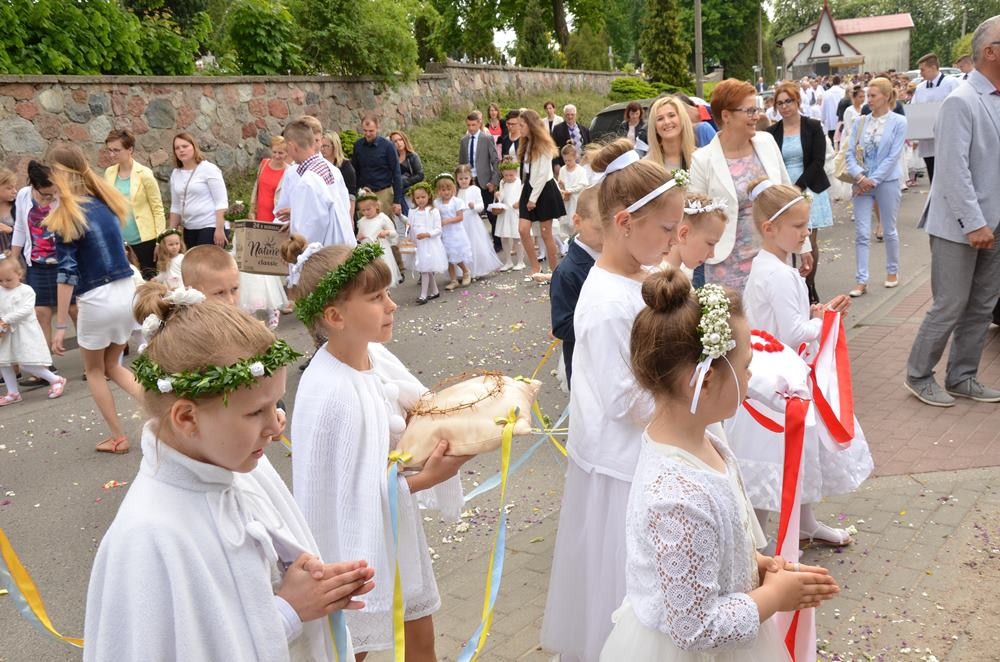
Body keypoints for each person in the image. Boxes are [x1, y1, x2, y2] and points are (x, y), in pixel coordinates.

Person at [83, 281, 375, 661]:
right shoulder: (149, 538)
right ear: (187, 417)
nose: (277, 425)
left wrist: (314, 584)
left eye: (276, 405)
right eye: (256, 412)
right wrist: (289, 610)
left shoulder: (243, 467)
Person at [599, 269, 840, 661]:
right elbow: (694, 627)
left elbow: (712, 545)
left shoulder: (705, 440)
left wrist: (756, 565)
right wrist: (773, 596)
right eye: (745, 365)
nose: (750, 376)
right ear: (706, 381)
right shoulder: (676, 497)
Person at [284, 238, 468, 657]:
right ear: (334, 316)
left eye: (387, 293)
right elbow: (348, 497)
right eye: (376, 297)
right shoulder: (331, 391)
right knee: (353, 640)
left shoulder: (374, 358)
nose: (392, 305)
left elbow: (414, 418)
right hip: (352, 546)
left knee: (419, 630)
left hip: (395, 528)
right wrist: (427, 479)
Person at [541, 138, 685, 662]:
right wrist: (691, 386)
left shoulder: (641, 276)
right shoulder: (603, 303)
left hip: (649, 449)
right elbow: (624, 400)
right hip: (625, 465)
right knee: (627, 585)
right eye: (666, 230)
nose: (673, 242)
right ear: (624, 223)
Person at [735, 178, 871, 547]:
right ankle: (759, 540)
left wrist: (812, 313)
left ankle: (805, 521)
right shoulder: (777, 273)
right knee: (775, 455)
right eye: (798, 227)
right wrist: (825, 318)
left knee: (799, 451)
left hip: (777, 368)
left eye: (806, 225)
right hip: (775, 377)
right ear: (770, 229)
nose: (805, 233)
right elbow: (793, 332)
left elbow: (785, 321)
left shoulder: (771, 266)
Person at [905, 16, 1000, 408]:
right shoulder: (961, 100)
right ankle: (919, 375)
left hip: (993, 224)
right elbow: (951, 169)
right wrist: (974, 222)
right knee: (950, 304)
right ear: (991, 52)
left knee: (981, 305)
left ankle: (962, 376)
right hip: (961, 226)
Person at [46, 143, 141, 455]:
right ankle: (166, 410)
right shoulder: (106, 203)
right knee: (114, 364)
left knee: (96, 370)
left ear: (59, 175)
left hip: (97, 298)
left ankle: (118, 437)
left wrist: (60, 325)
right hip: (126, 289)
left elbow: (66, 274)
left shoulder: (66, 214)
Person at [689, 79, 799, 291]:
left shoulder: (766, 143)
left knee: (774, 322)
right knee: (736, 323)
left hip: (773, 256)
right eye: (749, 111)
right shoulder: (703, 159)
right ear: (726, 116)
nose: (756, 116)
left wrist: (801, 246)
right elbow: (696, 218)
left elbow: (788, 198)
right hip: (727, 265)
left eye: (756, 109)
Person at [766, 82, 833, 304]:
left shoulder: (813, 126)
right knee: (785, 241)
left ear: (797, 102)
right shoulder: (771, 132)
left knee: (808, 241)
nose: (785, 107)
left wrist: (797, 187)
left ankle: (809, 287)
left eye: (788, 101)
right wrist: (784, 191)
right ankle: (791, 289)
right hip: (782, 192)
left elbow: (818, 161)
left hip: (809, 188)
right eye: (780, 103)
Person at [845, 76, 907, 298]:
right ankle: (861, 280)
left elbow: (893, 156)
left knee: (888, 229)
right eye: (867, 96)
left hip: (886, 182)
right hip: (861, 182)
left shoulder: (898, 122)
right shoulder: (861, 122)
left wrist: (874, 179)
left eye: (872, 96)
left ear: (886, 96)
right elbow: (850, 153)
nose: (868, 100)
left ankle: (892, 271)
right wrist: (860, 177)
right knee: (861, 233)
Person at [11, 161, 78, 355]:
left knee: (75, 309)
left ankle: (92, 362)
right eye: (45, 195)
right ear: (33, 186)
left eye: (53, 193)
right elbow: (20, 228)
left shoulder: (62, 197)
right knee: (41, 313)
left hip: (63, 261)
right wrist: (14, 258)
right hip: (37, 263)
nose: (50, 198)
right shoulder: (24, 195)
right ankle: (44, 366)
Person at [549, 186, 602, 389]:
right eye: (599, 229)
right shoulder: (567, 272)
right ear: (577, 221)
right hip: (585, 365)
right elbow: (562, 325)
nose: (607, 236)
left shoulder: (611, 255)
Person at [0, 255, 67, 405]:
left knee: (26, 362)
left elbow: (26, 309)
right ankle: (12, 392)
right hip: (5, 333)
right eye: (0, 280)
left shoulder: (27, 290)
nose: (4, 283)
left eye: (8, 280)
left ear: (19, 274)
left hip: (24, 332)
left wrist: (6, 319)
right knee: (3, 362)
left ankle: (55, 379)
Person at [103, 128, 166, 278]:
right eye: (109, 150)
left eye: (116, 150)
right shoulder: (109, 173)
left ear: (130, 149)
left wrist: (159, 241)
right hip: (119, 241)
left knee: (148, 282)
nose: (112, 155)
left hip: (145, 240)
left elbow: (157, 208)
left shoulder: (145, 174)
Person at [282, 120, 355, 248]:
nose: (287, 153)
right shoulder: (332, 170)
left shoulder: (307, 182)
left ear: (293, 146)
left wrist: (295, 253)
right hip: (342, 246)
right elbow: (342, 206)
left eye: (286, 148)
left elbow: (310, 228)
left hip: (324, 255)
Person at [518, 109, 566, 281]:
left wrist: (533, 199)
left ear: (531, 126)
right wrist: (525, 194)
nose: (519, 128)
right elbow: (526, 172)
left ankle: (555, 272)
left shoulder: (543, 145)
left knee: (546, 233)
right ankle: (535, 266)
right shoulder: (525, 143)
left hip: (544, 189)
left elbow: (542, 174)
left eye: (522, 125)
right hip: (529, 187)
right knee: (523, 229)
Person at [168, 132, 228, 248]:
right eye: (177, 148)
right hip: (189, 227)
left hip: (210, 226)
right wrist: (171, 232)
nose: (181, 150)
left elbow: (221, 202)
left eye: (185, 146)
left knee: (205, 265)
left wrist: (219, 229)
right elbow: (175, 206)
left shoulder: (209, 169)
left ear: (194, 147)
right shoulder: (176, 173)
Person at [911, 53, 962, 184]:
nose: (921, 74)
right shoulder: (920, 88)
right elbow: (914, 111)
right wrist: (915, 136)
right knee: (933, 176)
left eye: (923, 69)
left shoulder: (952, 83)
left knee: (950, 176)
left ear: (933, 67)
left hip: (948, 137)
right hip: (928, 140)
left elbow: (960, 107)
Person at [458, 111, 501, 249]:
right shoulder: (464, 141)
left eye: (473, 125)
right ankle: (473, 243)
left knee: (490, 213)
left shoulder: (486, 138)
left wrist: (494, 181)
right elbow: (461, 163)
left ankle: (497, 242)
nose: (471, 128)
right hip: (469, 180)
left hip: (485, 180)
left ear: (479, 124)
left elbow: (495, 161)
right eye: (469, 125)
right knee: (469, 212)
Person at [662, 192, 727, 279]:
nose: (712, 255)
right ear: (683, 234)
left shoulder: (680, 278)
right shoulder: (655, 280)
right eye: (710, 243)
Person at [351, 113, 405, 219]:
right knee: (366, 228)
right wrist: (356, 193)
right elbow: (355, 171)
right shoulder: (358, 146)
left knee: (386, 229)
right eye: (365, 130)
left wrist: (397, 201)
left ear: (377, 128)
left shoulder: (388, 146)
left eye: (371, 131)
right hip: (365, 193)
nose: (368, 134)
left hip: (384, 193)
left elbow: (396, 173)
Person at [455, 164, 502, 279]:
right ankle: (464, 271)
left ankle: (477, 270)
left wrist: (474, 206)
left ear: (471, 177)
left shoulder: (475, 189)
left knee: (475, 246)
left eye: (466, 178)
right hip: (460, 223)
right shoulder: (456, 191)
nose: (464, 181)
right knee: (464, 247)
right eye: (460, 179)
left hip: (472, 222)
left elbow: (481, 206)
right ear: (456, 179)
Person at [407, 182, 447, 304]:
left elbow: (438, 229)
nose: (420, 200)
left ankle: (423, 295)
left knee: (424, 269)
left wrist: (427, 234)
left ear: (429, 196)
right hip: (418, 244)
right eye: (417, 198)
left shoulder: (433, 211)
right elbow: (409, 226)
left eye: (423, 197)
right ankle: (435, 291)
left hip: (429, 245)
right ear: (414, 198)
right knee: (426, 269)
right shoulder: (412, 211)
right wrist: (408, 236)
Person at [432, 173, 472, 290]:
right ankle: (453, 280)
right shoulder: (437, 203)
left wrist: (447, 221)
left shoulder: (457, 201)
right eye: (443, 190)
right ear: (438, 191)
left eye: (448, 189)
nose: (446, 192)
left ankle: (466, 271)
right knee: (447, 257)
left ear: (453, 189)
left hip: (455, 232)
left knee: (456, 255)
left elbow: (460, 217)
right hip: (443, 233)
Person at [355, 188, 400, 286]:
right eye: (363, 210)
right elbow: (359, 236)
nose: (366, 212)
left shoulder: (382, 218)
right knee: (374, 275)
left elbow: (394, 233)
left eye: (368, 209)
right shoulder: (362, 221)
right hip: (368, 251)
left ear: (376, 206)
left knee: (384, 274)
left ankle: (387, 294)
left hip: (382, 250)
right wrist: (359, 237)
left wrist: (386, 232)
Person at [644, 95, 696, 172]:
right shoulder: (646, 166)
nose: (667, 122)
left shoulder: (701, 158)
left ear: (682, 119)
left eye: (671, 115)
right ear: (654, 127)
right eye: (660, 119)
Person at [493, 159, 526, 271]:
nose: (508, 177)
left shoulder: (518, 182)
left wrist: (519, 203)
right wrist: (498, 195)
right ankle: (508, 261)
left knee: (517, 238)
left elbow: (522, 196)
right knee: (504, 237)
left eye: (511, 175)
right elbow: (502, 197)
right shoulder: (502, 183)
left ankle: (521, 261)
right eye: (506, 175)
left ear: (516, 172)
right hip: (505, 212)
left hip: (514, 212)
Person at [250, 136, 290, 222]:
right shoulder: (264, 163)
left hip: (275, 217)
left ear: (287, 153)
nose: (276, 156)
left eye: (280, 153)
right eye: (274, 152)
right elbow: (256, 188)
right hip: (259, 214)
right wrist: (252, 209)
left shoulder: (289, 171)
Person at [319, 131, 357, 220]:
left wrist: (350, 218)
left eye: (326, 146)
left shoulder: (345, 166)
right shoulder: (320, 165)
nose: (322, 149)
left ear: (335, 146)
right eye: (321, 146)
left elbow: (351, 195)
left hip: (342, 211)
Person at [556, 144, 588, 245]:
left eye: (569, 160)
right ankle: (569, 242)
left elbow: (582, 184)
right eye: (565, 160)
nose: (567, 163)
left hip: (576, 200)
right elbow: (560, 183)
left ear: (575, 157)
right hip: (566, 200)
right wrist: (562, 187)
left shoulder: (581, 170)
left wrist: (570, 190)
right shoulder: (562, 169)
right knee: (566, 223)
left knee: (575, 222)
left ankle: (577, 242)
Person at [550, 104, 591, 171]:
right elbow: (553, 147)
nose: (570, 117)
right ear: (564, 115)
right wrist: (556, 163)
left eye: (572, 114)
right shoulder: (557, 129)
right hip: (565, 166)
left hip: (583, 165)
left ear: (576, 115)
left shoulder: (585, 130)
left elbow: (589, 147)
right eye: (567, 114)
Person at [390, 130, 424, 195]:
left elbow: (420, 175)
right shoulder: (392, 159)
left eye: (400, 140)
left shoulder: (413, 156)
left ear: (404, 140)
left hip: (412, 191)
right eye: (395, 141)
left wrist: (404, 182)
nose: (399, 143)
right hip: (397, 193)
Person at [820, 75, 846, 142]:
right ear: (840, 82)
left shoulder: (826, 93)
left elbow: (823, 108)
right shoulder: (843, 92)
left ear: (832, 82)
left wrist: (822, 119)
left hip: (830, 121)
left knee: (832, 142)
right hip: (841, 121)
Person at [0, 168, 16, 253]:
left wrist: (11, 230)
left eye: (14, 187)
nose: (15, 191)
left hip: (14, 258)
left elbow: (29, 234)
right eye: (9, 188)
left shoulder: (18, 207)